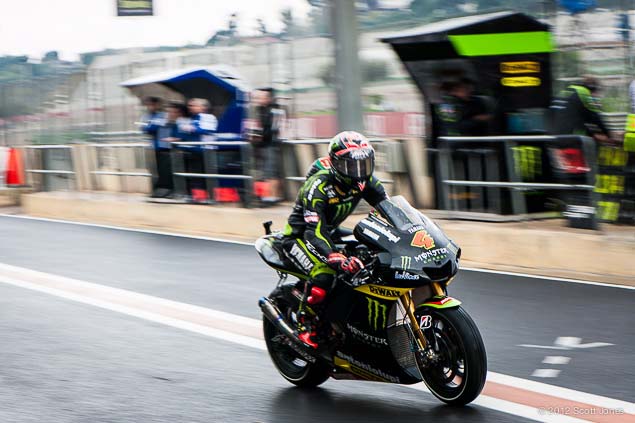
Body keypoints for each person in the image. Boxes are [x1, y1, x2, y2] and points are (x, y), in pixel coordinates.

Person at [281, 131, 388, 348]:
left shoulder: (367, 182)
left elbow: (390, 209)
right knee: (325, 274)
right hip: (300, 236)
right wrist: (333, 256)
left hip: (330, 231)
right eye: (352, 165)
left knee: (370, 254)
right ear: (336, 164)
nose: (359, 172)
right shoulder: (318, 185)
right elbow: (314, 231)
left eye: (364, 164)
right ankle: (305, 323)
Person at [177, 98, 218, 202]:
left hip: (205, 150)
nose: (190, 107)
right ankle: (194, 196)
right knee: (193, 175)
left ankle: (203, 197)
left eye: (194, 105)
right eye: (190, 105)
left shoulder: (208, 117)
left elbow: (207, 130)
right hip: (193, 150)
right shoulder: (192, 118)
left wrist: (191, 128)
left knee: (203, 175)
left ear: (203, 107)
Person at [550, 75, 611, 144]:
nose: (597, 96)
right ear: (593, 88)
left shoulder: (567, 90)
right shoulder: (584, 93)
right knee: (590, 143)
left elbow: (580, 118)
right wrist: (609, 135)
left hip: (554, 133)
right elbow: (596, 117)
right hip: (570, 135)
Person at [249, 88, 285, 203]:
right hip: (263, 144)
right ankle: (268, 195)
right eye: (258, 97)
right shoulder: (260, 110)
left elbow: (273, 128)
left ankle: (274, 196)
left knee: (272, 171)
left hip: (271, 143)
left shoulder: (274, 110)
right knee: (266, 171)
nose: (259, 100)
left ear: (269, 98)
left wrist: (260, 136)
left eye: (262, 97)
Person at [152, 101, 188, 198]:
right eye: (169, 111)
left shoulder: (182, 122)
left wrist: (176, 139)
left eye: (173, 111)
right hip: (163, 149)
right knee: (163, 171)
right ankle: (163, 189)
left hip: (177, 151)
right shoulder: (163, 121)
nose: (170, 114)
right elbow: (150, 128)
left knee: (174, 171)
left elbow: (185, 136)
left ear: (179, 112)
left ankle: (175, 190)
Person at [140, 96, 169, 198]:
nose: (150, 107)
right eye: (148, 105)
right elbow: (144, 128)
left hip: (164, 146)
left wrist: (151, 125)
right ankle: (156, 189)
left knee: (164, 169)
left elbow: (153, 127)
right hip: (153, 147)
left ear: (157, 105)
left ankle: (165, 189)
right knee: (154, 170)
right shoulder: (146, 116)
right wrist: (151, 126)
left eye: (152, 104)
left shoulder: (163, 115)